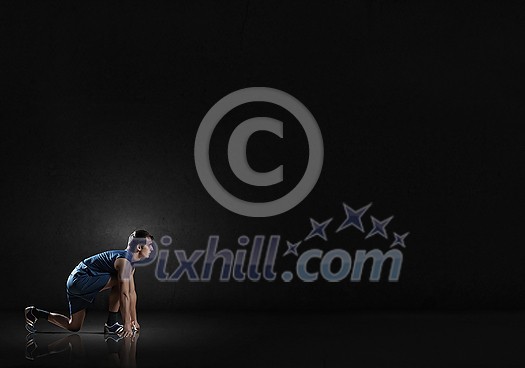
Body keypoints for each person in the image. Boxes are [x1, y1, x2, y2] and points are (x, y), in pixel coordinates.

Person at [25, 230, 154, 337]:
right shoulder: (125, 262)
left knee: (73, 326)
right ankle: (111, 324)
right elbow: (125, 293)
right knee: (121, 283)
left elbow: (132, 293)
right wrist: (126, 324)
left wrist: (134, 320)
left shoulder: (128, 264)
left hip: (74, 283)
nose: (152, 249)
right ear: (139, 247)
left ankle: (35, 313)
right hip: (81, 280)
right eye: (150, 245)